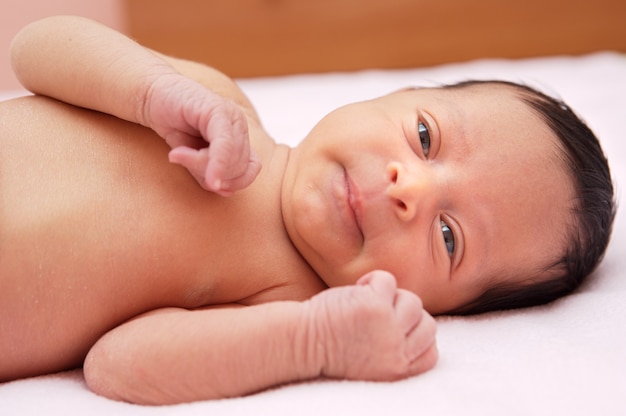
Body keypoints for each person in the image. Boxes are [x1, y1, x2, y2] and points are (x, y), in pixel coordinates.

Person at [0, 16, 614, 405]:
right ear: (394, 94)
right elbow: (36, 50)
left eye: (449, 238)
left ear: (443, 307)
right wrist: (148, 90)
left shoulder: (281, 304)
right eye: (424, 138)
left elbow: (118, 366)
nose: (411, 191)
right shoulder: (213, 102)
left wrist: (314, 342)